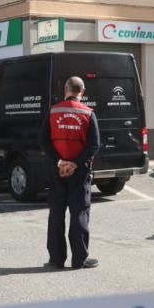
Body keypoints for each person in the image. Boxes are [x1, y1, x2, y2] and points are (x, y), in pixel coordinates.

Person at [40, 76, 101, 269]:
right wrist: (75, 163)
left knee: (56, 215)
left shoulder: (53, 111)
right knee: (79, 214)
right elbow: (94, 145)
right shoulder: (88, 113)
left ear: (66, 89)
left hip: (56, 171)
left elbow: (43, 141)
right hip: (79, 172)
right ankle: (79, 259)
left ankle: (56, 259)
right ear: (82, 92)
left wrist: (60, 162)